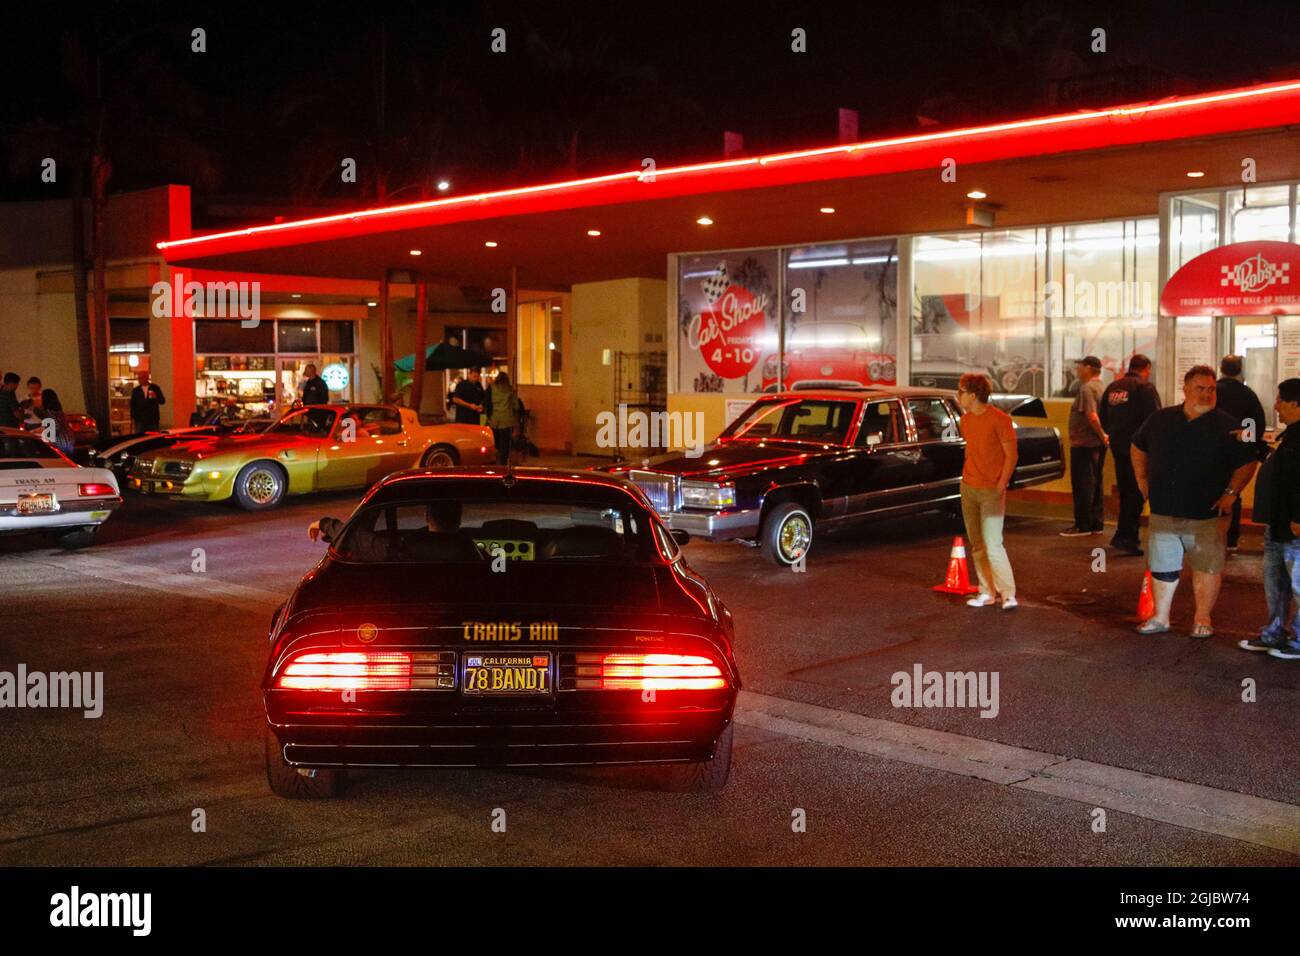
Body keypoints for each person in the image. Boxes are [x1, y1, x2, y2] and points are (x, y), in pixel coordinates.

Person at [1130, 365, 1259, 637]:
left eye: (1211, 389)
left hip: (1208, 512)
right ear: (1185, 389)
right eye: (1200, 388)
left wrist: (1232, 493)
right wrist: (1141, 479)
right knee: (1163, 565)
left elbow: (1248, 462)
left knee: (1207, 566)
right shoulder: (1161, 419)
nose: (1207, 394)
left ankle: (1203, 618)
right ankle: (1160, 617)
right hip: (1165, 509)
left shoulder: (1230, 426)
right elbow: (1137, 445)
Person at [1239, 379, 1300, 657]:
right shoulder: (1290, 436)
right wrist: (1254, 445)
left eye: (1280, 400)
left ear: (1296, 403)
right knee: (1277, 584)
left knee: (1298, 585)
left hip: (1294, 527)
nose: (1275, 405)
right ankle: (1274, 633)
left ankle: (1297, 640)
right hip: (1277, 524)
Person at [955, 372, 1019, 610]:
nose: (958, 395)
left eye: (960, 391)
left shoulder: (1000, 420)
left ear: (973, 395)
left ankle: (1008, 594)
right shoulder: (967, 420)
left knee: (993, 543)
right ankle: (986, 591)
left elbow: (1011, 455)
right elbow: (970, 450)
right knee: (977, 544)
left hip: (991, 489)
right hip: (969, 487)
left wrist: (1001, 484)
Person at [1099, 354, 1161, 555]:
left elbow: (1103, 419)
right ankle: (1127, 537)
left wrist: (1116, 435)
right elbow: (1154, 419)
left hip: (1118, 447)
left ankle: (1124, 534)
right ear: (1147, 368)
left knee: (1126, 491)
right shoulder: (1145, 388)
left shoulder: (1113, 388)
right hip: (1139, 449)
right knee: (1137, 492)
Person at [1216, 355, 1270, 551]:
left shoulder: (1212, 391)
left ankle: (1208, 535)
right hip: (1238, 454)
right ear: (1240, 370)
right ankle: (1231, 539)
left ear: (1221, 368)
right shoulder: (1247, 394)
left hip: (1212, 452)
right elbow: (1256, 427)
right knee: (1233, 493)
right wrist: (1246, 446)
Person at [308, 501, 464, 562]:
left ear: (426, 516)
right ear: (459, 517)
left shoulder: (404, 549)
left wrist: (324, 524)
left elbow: (358, 539)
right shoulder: (471, 555)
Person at [1061, 355, 1108, 537]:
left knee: (1083, 484)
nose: (1077, 370)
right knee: (1096, 483)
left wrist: (1101, 434)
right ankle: (1096, 523)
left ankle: (1083, 525)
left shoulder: (1087, 389)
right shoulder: (1102, 387)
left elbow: (1091, 415)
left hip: (1085, 444)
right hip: (1096, 444)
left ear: (1088, 368)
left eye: (1080, 366)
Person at [486, 371, 520, 464]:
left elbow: (487, 403)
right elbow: (516, 406)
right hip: (507, 420)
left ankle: (494, 459)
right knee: (505, 443)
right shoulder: (510, 390)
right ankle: (503, 462)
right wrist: (516, 424)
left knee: (495, 442)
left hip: (494, 419)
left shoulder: (491, 388)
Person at [38, 388, 75, 455]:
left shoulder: (49, 413)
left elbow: (54, 428)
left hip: (59, 443)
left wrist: (45, 435)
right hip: (68, 440)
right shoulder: (58, 411)